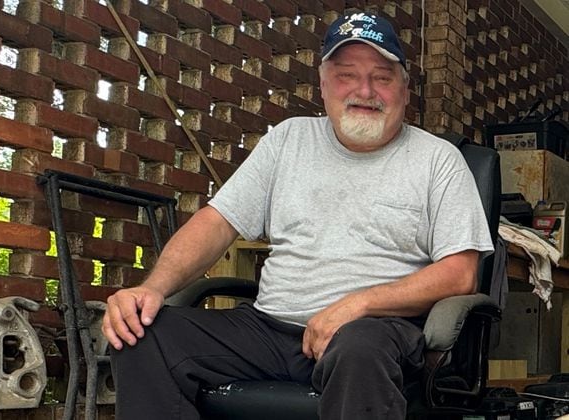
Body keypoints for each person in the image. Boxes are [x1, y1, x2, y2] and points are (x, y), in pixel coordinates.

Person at [102, 11, 494, 420]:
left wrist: (356, 305)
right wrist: (153, 289)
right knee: (140, 334)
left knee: (360, 347)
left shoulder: (438, 160)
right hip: (267, 328)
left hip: (373, 333)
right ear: (323, 84)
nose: (365, 90)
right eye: (347, 75)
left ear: (404, 89)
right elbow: (217, 222)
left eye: (382, 76)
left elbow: (459, 273)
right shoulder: (289, 139)